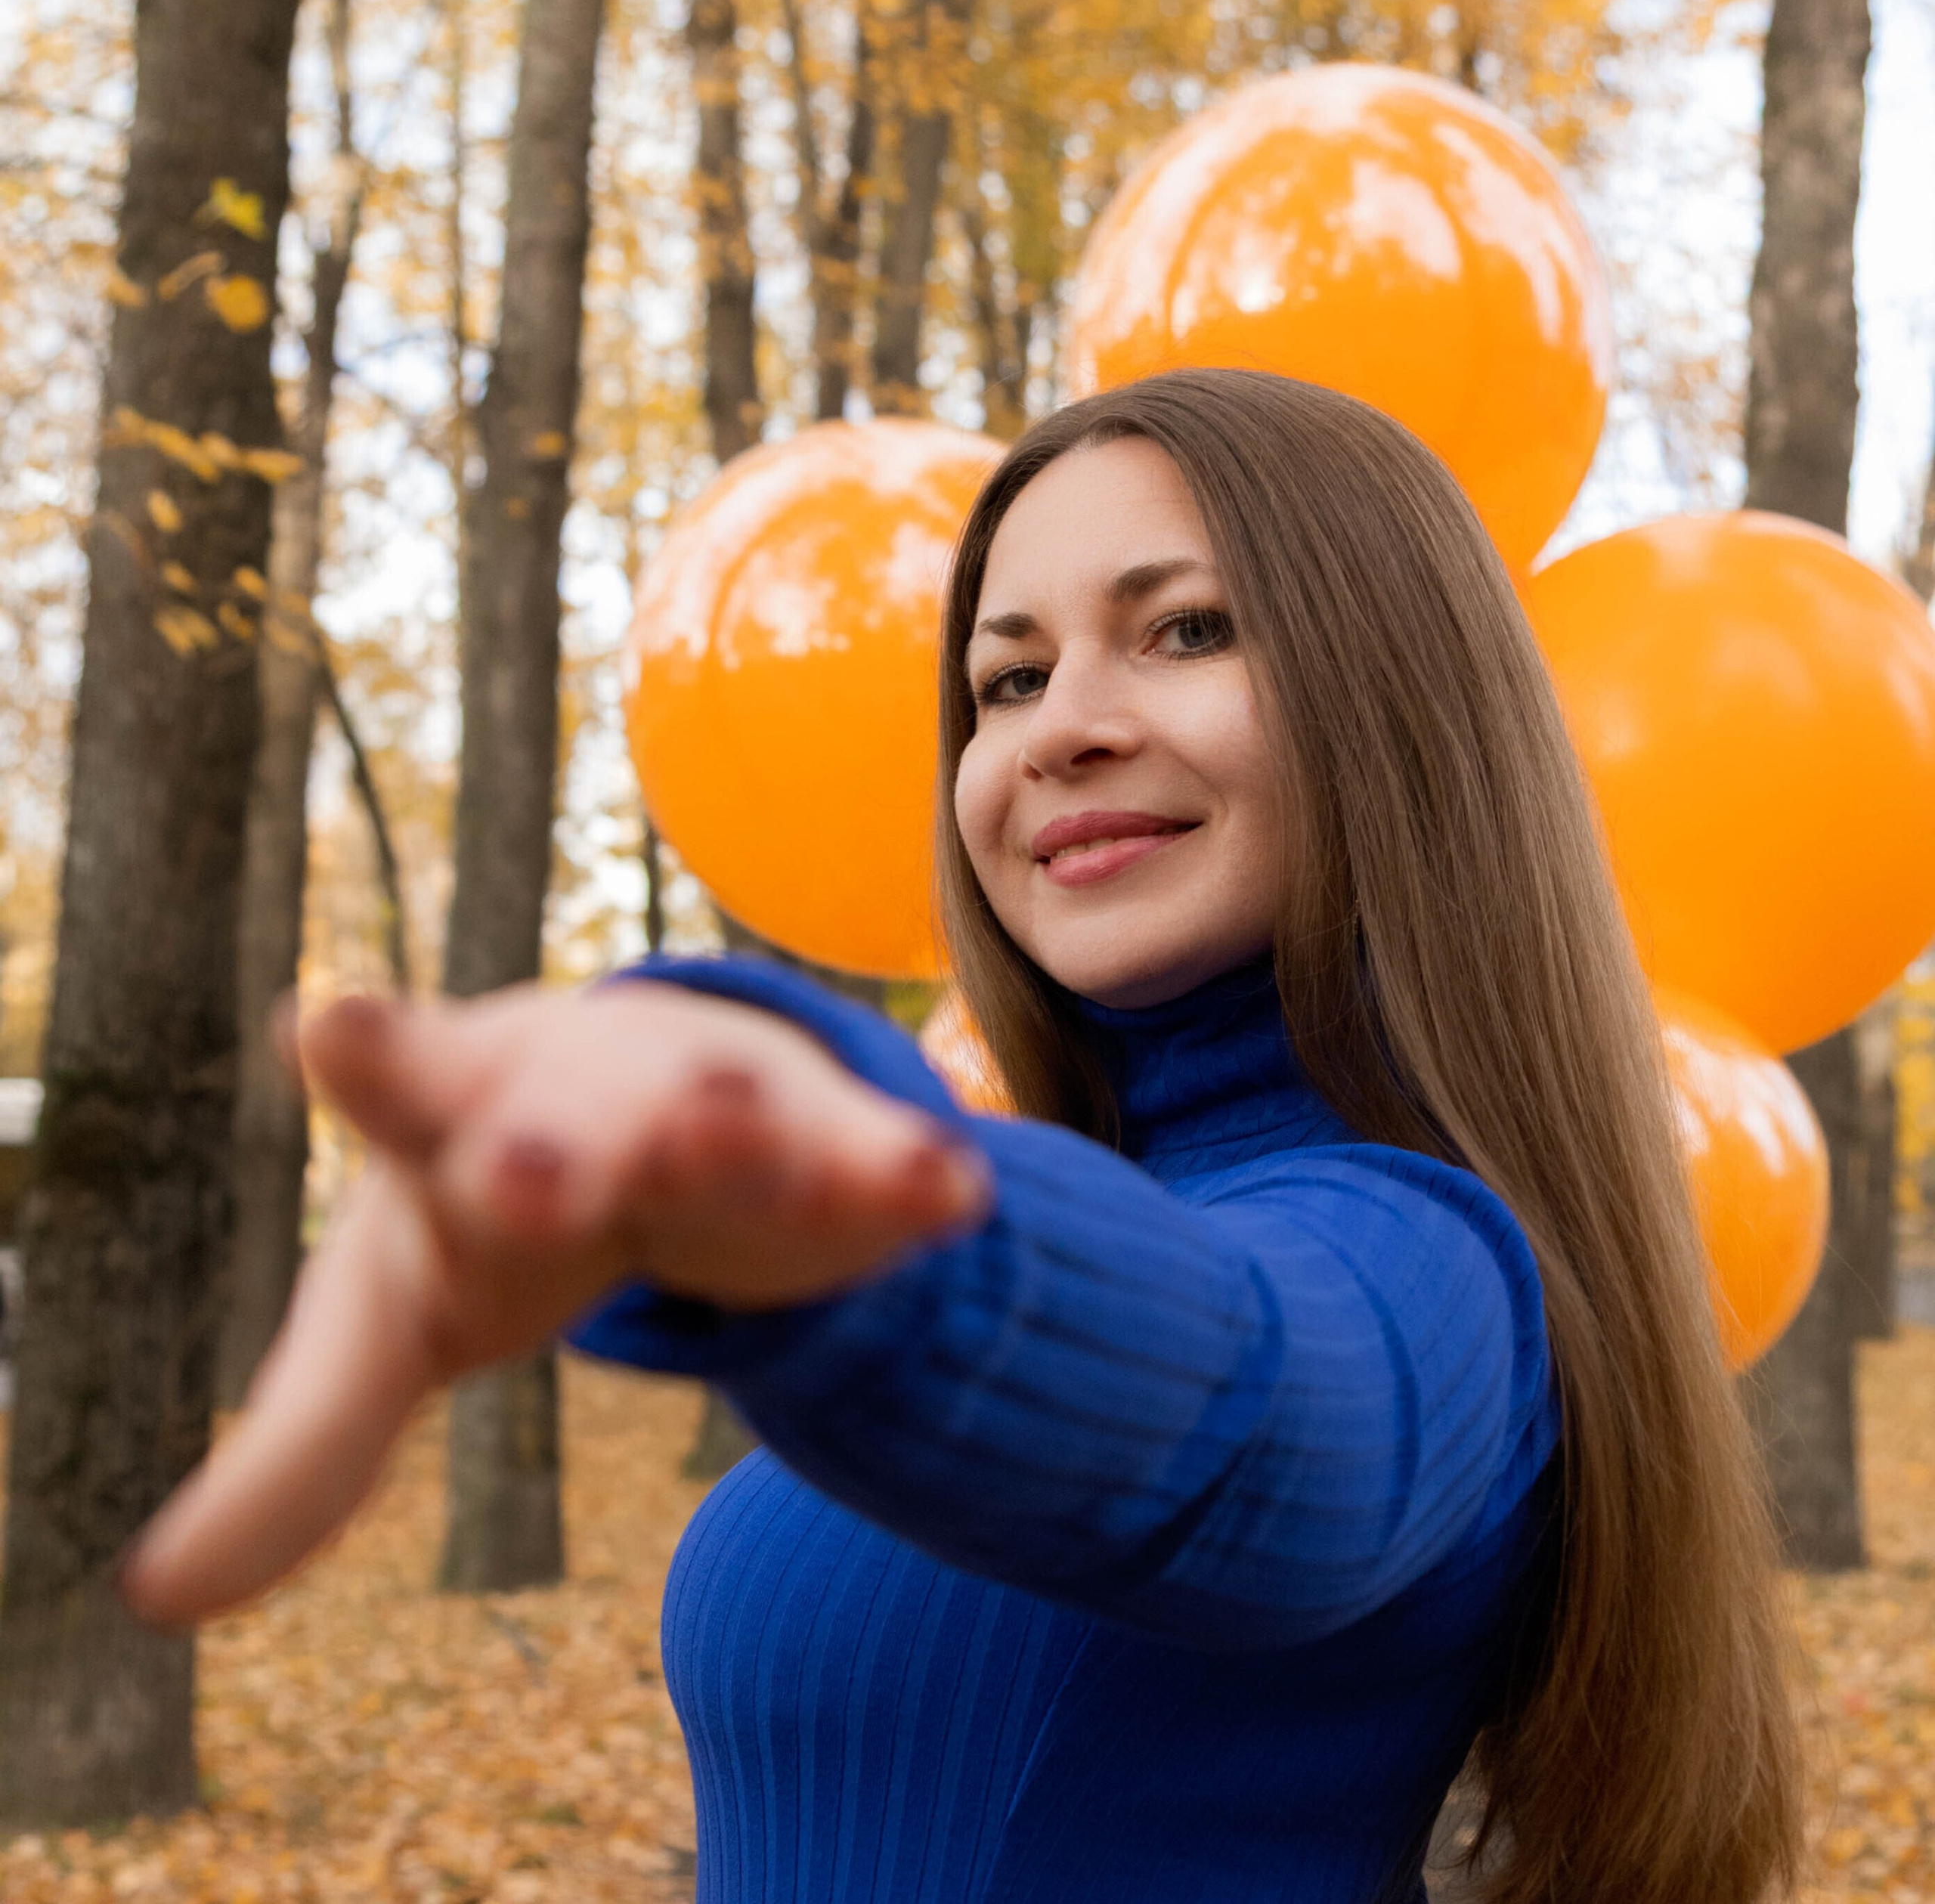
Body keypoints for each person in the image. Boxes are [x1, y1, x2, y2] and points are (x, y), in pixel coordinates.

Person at [124, 370, 1803, 1903]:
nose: (1056, 723)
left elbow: (1265, 1422)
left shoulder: (1434, 1262)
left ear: (1402, 708)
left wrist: (813, 1187)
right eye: (1004, 675)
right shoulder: (1124, 1198)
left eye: (1188, 629)